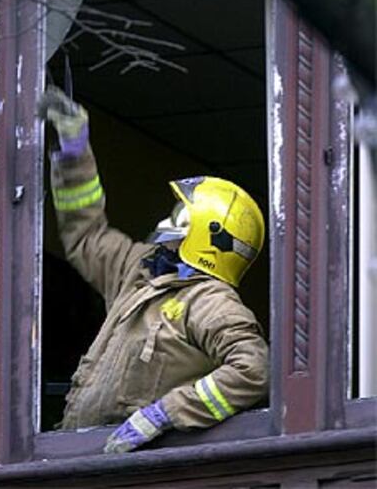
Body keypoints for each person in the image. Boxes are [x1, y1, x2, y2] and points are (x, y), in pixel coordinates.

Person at [38, 86, 269, 454]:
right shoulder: (139, 272)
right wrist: (73, 149)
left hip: (138, 470)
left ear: (210, 234)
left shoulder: (210, 301)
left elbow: (253, 369)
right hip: (82, 459)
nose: (167, 221)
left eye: (180, 217)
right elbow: (86, 234)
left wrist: (165, 414)